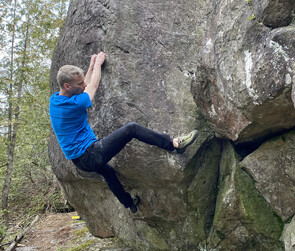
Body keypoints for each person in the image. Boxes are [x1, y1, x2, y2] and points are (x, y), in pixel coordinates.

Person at [49, 52, 198, 213]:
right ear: (67, 86)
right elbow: (92, 87)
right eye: (79, 83)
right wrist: (98, 65)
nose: (84, 84)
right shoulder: (73, 105)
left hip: (79, 161)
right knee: (131, 128)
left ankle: (129, 204)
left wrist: (91, 66)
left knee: (108, 173)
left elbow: (85, 85)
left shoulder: (55, 100)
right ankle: (173, 144)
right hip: (90, 155)